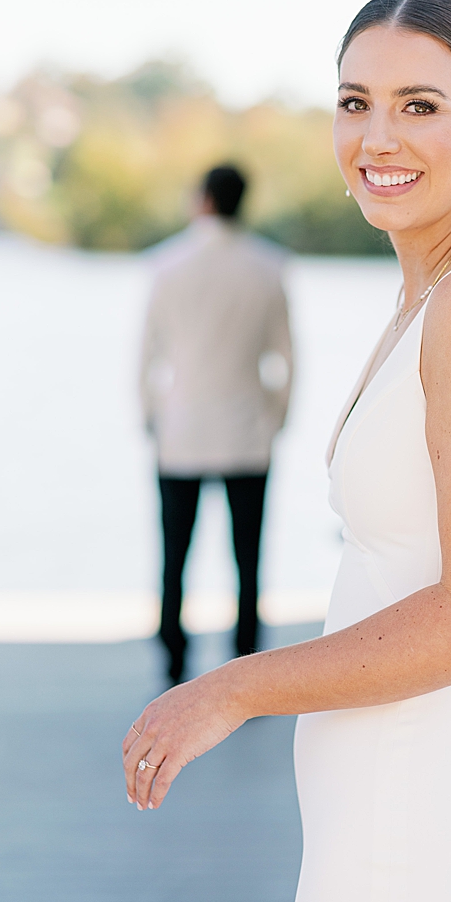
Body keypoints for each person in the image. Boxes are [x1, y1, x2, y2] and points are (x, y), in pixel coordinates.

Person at [121, 0, 451, 902]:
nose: (375, 138)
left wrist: (230, 688)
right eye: (355, 103)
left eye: (419, 107)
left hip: (419, 837)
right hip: (385, 823)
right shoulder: (443, 289)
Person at [139, 163, 293, 684]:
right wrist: (276, 420)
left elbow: (147, 356)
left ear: (203, 198)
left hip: (181, 430)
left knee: (174, 553)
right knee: (247, 556)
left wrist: (149, 418)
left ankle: (173, 657)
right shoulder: (270, 265)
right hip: (247, 431)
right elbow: (288, 359)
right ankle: (246, 658)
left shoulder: (165, 263)